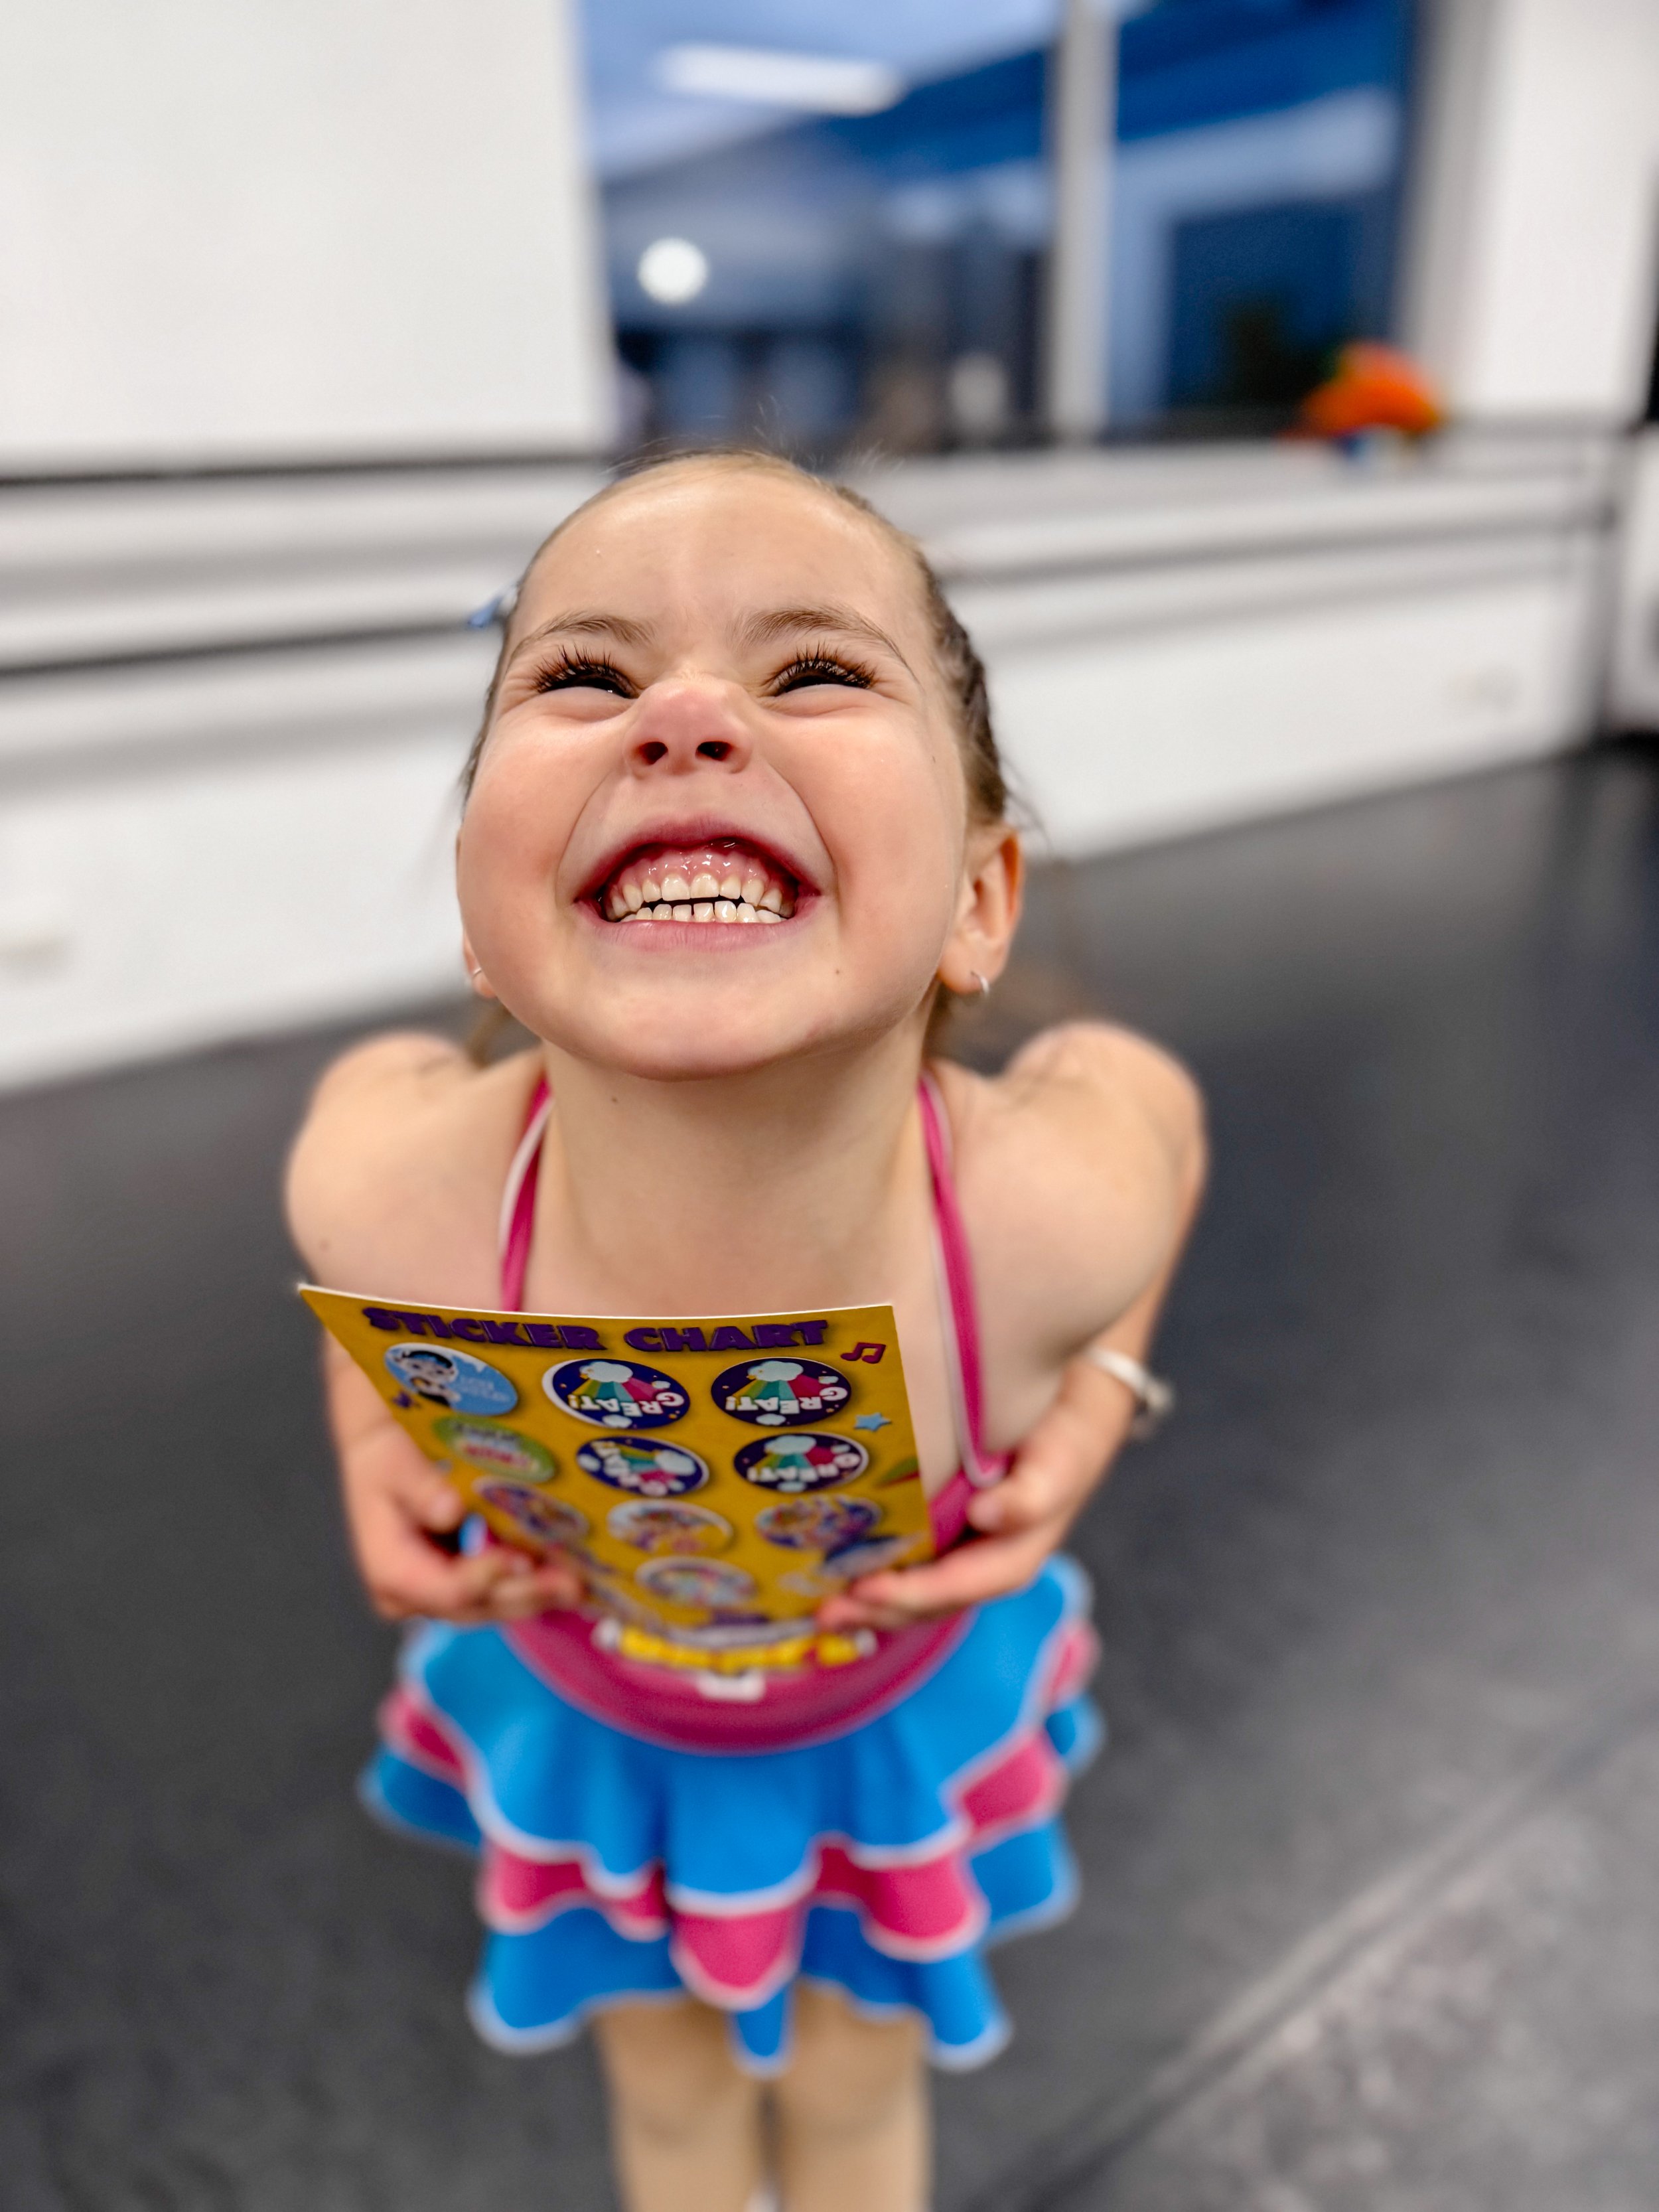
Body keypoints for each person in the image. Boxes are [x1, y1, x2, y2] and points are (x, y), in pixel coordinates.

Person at [285, 449, 1205, 2212]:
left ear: (976, 902)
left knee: (860, 2110)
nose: (685, 715)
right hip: (599, 1721)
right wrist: (368, 1419)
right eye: (581, 676)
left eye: (816, 671)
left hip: (883, 1726)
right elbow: (359, 1097)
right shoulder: (395, 1200)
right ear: (478, 921)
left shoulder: (1042, 1226)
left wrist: (1093, 1395)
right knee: (676, 2111)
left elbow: (1148, 1101)